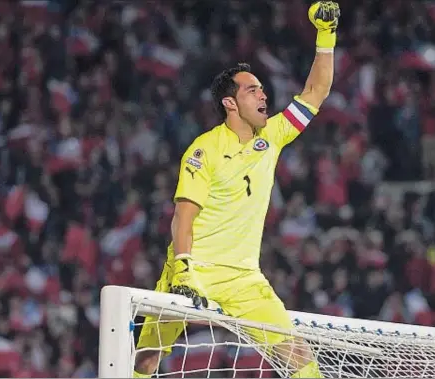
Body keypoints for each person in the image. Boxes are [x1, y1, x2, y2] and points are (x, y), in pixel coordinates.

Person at [133, 2, 340, 378]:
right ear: (230, 102)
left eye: (262, 89)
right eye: (252, 90)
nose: (264, 95)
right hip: (194, 271)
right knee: (147, 360)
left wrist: (325, 35)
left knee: (302, 361)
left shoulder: (272, 137)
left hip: (244, 279)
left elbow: (316, 90)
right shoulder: (204, 148)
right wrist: (182, 270)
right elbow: (183, 215)